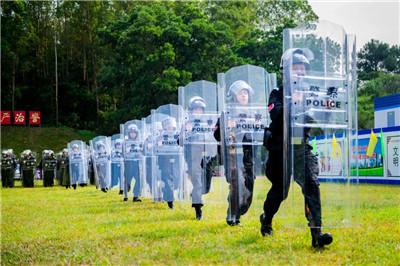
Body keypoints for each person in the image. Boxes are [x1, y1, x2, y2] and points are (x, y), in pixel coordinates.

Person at [260, 48, 333, 248]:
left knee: (311, 184)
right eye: (295, 68)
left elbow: (324, 119)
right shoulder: (277, 93)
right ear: (286, 71)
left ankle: (316, 233)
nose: (299, 72)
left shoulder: (312, 93)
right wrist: (293, 102)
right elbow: (276, 116)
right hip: (279, 149)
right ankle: (266, 219)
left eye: (302, 69)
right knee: (280, 190)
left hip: (301, 145)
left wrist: (326, 106)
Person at [214, 80, 257, 226]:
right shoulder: (226, 113)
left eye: (245, 92)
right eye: (240, 93)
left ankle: (237, 208)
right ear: (233, 96)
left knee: (249, 188)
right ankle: (233, 216)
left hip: (248, 154)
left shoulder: (254, 113)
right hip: (232, 154)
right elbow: (216, 134)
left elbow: (262, 132)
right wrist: (225, 127)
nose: (244, 95)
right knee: (237, 182)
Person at [183, 96, 213, 220]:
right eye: (195, 109)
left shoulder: (208, 123)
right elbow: (179, 140)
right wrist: (187, 133)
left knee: (205, 187)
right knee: (198, 183)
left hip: (207, 158)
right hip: (193, 158)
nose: (198, 112)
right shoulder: (187, 124)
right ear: (191, 111)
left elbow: (214, 138)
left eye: (200, 109)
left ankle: (195, 194)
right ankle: (198, 210)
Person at [123, 124, 143, 202]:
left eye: (134, 132)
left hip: (137, 163)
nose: (133, 134)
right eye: (131, 132)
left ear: (137, 133)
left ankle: (136, 196)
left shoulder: (139, 142)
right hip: (128, 163)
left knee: (138, 179)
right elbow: (123, 153)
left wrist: (139, 153)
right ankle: (126, 191)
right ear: (129, 133)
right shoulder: (125, 142)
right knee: (128, 178)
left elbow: (142, 152)